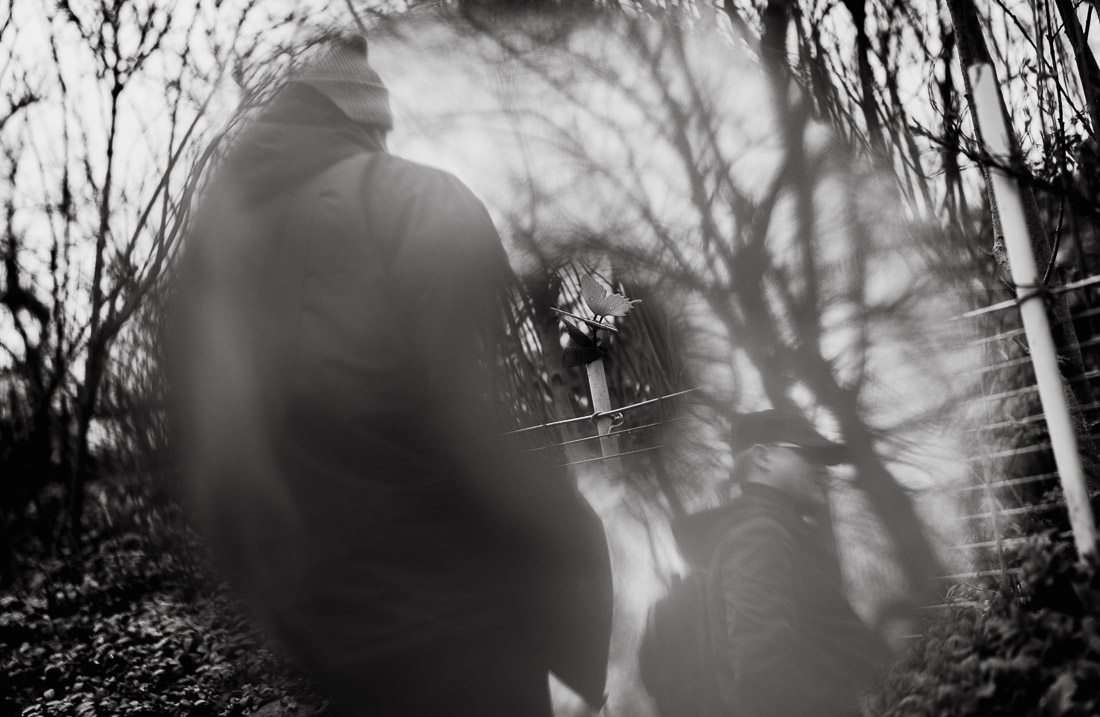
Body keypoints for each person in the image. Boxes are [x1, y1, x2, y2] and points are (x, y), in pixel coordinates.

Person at [170, 33, 611, 717]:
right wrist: (579, 608)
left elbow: (222, 476)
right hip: (472, 628)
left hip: (340, 646)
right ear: (370, 120)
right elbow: (512, 420)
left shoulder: (222, 260)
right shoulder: (413, 198)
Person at [672, 409, 891, 717]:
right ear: (763, 457)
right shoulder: (758, 536)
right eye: (809, 455)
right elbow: (762, 672)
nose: (823, 470)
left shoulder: (776, 531)